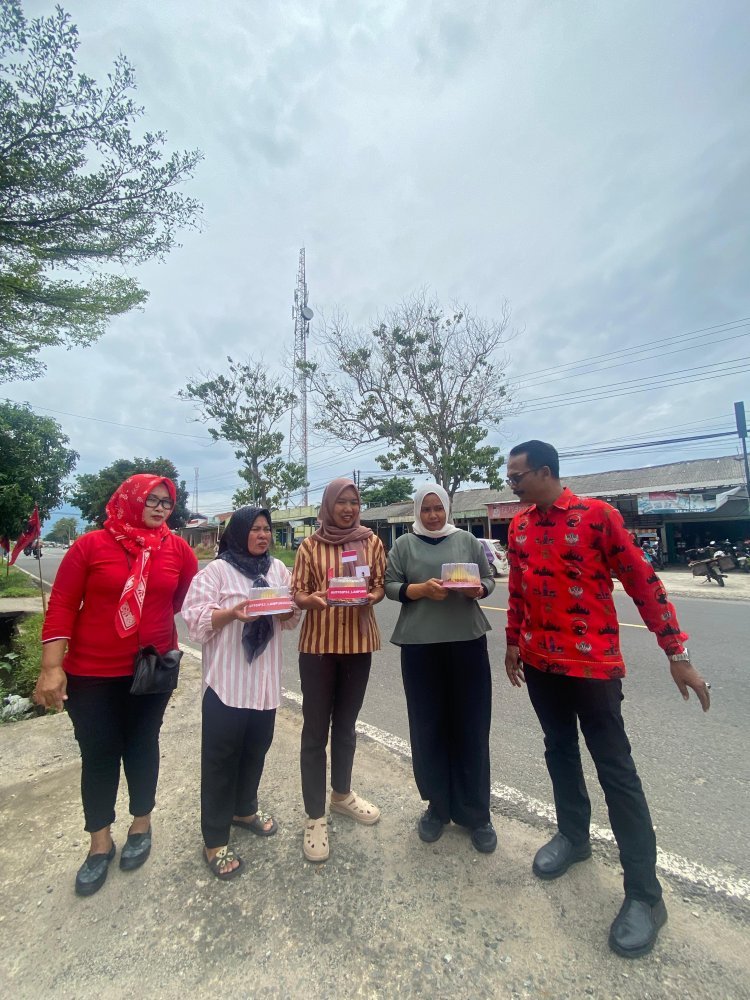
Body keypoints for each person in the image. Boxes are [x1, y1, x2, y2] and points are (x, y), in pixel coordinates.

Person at [503, 441, 710, 958]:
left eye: (517, 476)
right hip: (539, 663)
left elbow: (644, 582)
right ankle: (574, 839)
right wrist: (512, 641)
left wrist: (676, 651)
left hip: (592, 668)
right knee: (558, 751)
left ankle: (645, 895)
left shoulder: (598, 517)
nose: (512, 485)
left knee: (616, 770)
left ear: (545, 472)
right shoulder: (520, 525)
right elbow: (518, 589)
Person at [34, 475, 198, 896]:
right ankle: (100, 841)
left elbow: (184, 600)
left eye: (167, 502)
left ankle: (141, 824)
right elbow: (63, 605)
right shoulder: (91, 546)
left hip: (152, 669)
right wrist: (51, 667)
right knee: (100, 752)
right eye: (152, 500)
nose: (161, 508)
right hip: (92, 672)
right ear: (130, 500)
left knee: (143, 744)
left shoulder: (176, 549)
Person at [181, 506, 300, 880]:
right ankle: (214, 838)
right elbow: (196, 621)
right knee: (219, 762)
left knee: (256, 750)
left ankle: (243, 809)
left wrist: (287, 608)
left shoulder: (278, 570)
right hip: (226, 686)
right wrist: (233, 613)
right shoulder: (216, 571)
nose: (263, 536)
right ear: (238, 533)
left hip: (263, 685)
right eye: (256, 529)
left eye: (267, 530)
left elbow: (290, 618)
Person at [385, 484, 497, 852]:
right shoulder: (403, 545)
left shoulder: (467, 540)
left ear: (448, 508)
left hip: (466, 642)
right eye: (426, 509)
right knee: (428, 725)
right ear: (417, 511)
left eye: (438, 508)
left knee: (472, 725)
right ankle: (437, 807)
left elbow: (489, 579)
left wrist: (477, 590)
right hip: (419, 646)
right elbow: (389, 585)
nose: (433, 515)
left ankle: (477, 814)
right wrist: (418, 591)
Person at [290, 478, 386, 862]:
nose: (349, 508)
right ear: (329, 505)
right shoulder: (310, 546)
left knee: (346, 727)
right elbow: (297, 592)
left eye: (354, 502)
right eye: (342, 502)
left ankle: (342, 795)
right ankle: (314, 817)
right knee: (315, 732)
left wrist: (369, 596)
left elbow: (379, 584)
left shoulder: (372, 542)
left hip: (359, 646)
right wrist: (312, 600)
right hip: (318, 649)